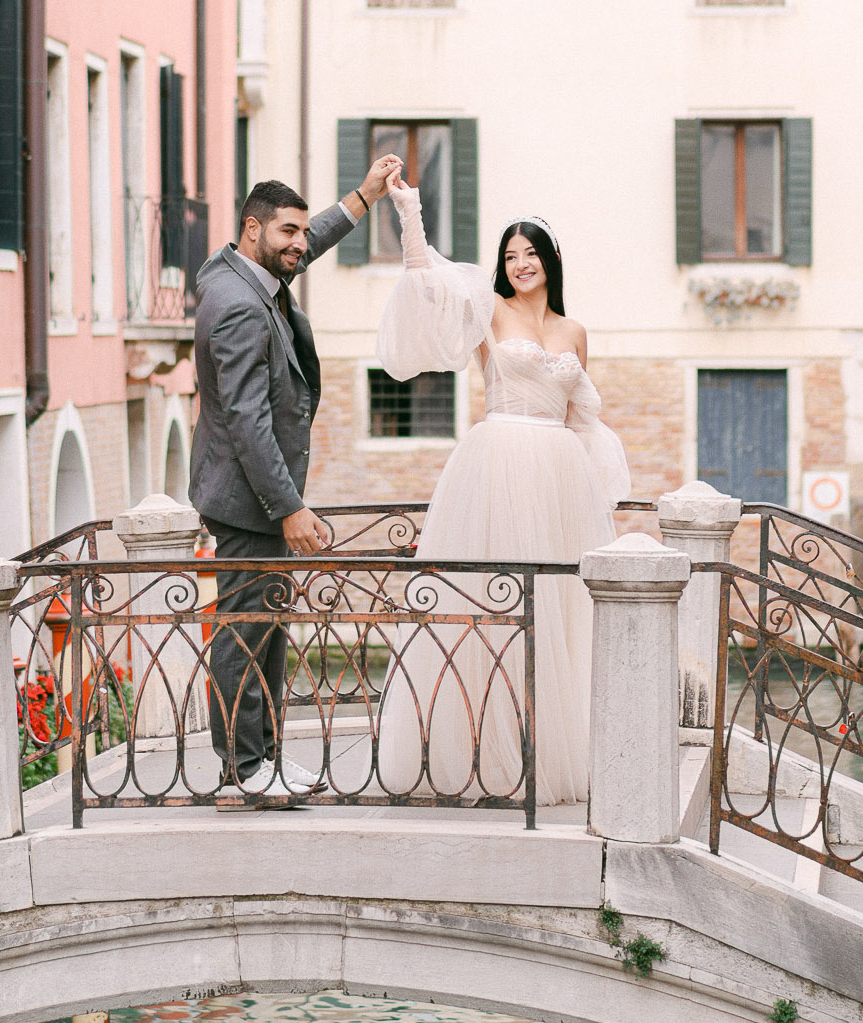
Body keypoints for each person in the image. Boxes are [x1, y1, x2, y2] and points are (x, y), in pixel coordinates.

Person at [373, 171, 629, 806]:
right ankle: (482, 756)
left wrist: (604, 502)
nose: (519, 265)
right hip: (498, 463)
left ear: (552, 261)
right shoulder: (489, 311)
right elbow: (428, 278)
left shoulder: (575, 333)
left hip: (560, 476)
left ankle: (550, 751)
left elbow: (582, 419)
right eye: (510, 256)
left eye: (530, 254)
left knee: (560, 611)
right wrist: (409, 211)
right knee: (490, 607)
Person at [190, 161, 399, 801]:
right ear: (252, 229)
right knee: (244, 632)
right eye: (288, 233)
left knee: (269, 629)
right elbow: (249, 421)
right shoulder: (237, 306)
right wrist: (287, 508)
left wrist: (364, 199)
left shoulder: (239, 270)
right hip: (249, 500)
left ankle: (267, 758)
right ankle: (243, 768)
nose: (299, 246)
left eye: (303, 233)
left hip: (250, 495)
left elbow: (306, 248)